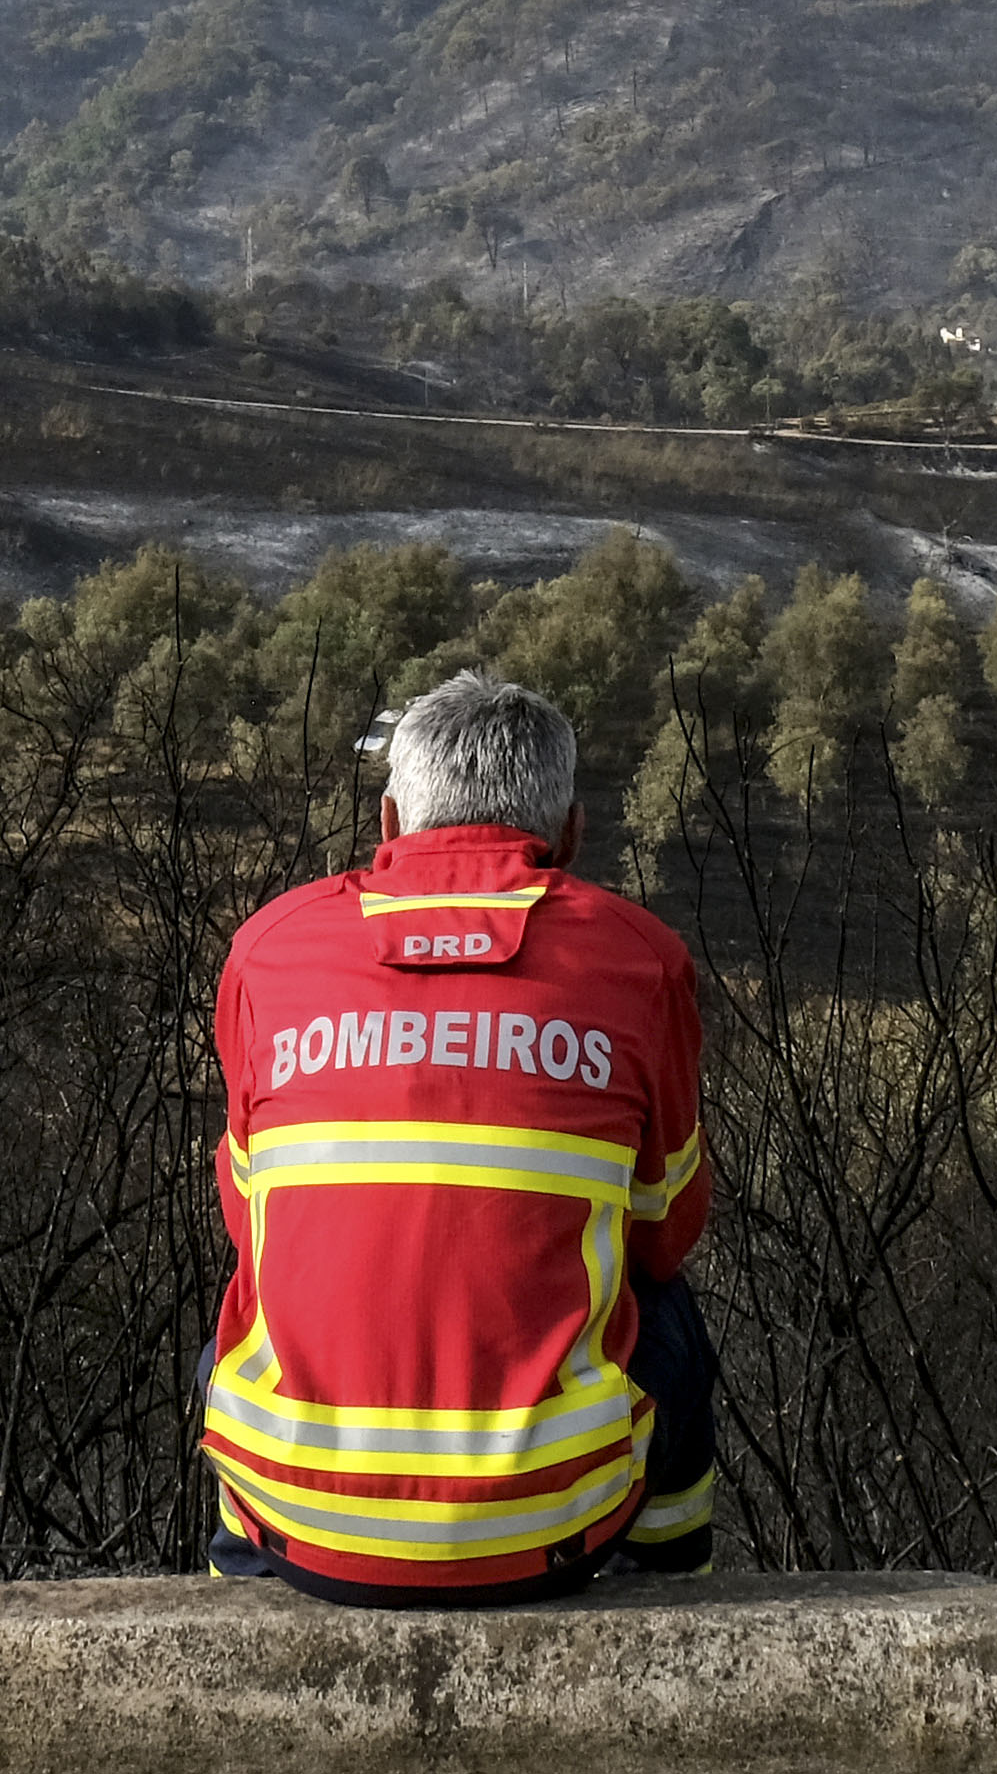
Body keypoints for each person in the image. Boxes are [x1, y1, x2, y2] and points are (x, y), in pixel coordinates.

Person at [198, 670, 718, 1600]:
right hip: (548, 1526)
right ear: (568, 835)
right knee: (667, 1319)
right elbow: (664, 1233)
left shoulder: (266, 950)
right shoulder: (641, 960)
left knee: (261, 1292)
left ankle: (239, 1579)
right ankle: (674, 1590)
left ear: (389, 824)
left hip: (304, 1526)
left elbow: (247, 1222)